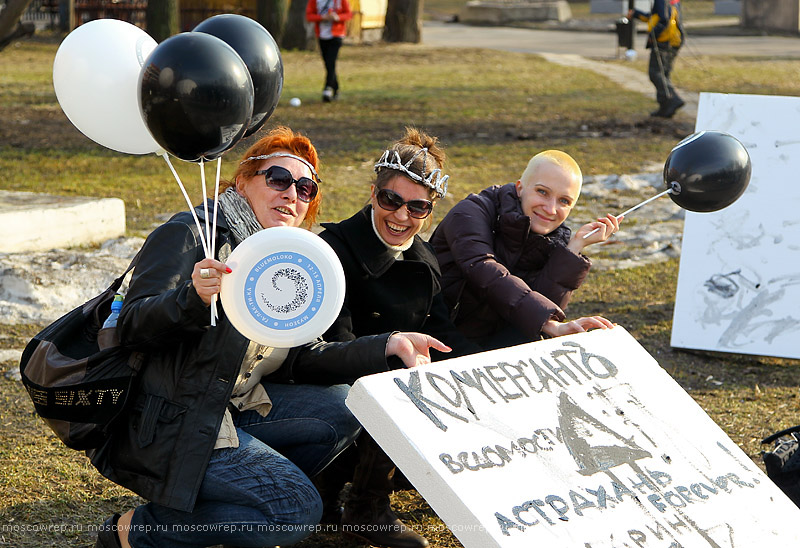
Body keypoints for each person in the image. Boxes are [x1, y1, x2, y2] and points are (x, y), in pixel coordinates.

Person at [89, 126, 450, 548]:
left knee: (345, 408)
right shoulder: (192, 235)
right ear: (243, 181)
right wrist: (192, 298)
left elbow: (301, 358)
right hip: (171, 421)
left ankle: (240, 505)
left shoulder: (288, 258)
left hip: (236, 406)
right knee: (297, 509)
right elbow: (127, 326)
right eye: (277, 179)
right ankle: (134, 533)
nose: (291, 194)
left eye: (305, 188)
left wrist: (386, 344)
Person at [316, 127, 479, 548]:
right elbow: (332, 343)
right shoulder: (333, 249)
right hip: (329, 379)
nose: (402, 216)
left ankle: (354, 501)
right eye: (391, 200)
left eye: (418, 207)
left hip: (390, 386)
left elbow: (442, 333)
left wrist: (476, 374)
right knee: (392, 382)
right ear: (373, 193)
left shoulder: (424, 261)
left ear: (430, 211)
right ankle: (361, 505)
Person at [430, 149, 619, 352]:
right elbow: (485, 270)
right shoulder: (472, 211)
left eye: (564, 201)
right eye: (542, 192)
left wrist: (574, 248)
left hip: (485, 352)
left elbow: (533, 315)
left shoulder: (555, 242)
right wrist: (549, 323)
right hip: (432, 336)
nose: (551, 209)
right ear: (520, 188)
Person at [630, 0, 685, 118]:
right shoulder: (672, 1)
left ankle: (673, 99)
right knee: (664, 74)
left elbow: (663, 19)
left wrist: (652, 35)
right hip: (674, 41)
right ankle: (665, 108)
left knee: (655, 73)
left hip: (664, 42)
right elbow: (655, 16)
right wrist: (636, 14)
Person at [306, 0, 352, 102]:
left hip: (337, 35)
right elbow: (309, 16)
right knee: (328, 63)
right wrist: (322, 18)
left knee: (331, 61)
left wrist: (337, 17)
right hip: (322, 35)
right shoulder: (315, 1)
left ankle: (327, 88)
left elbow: (348, 14)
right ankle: (336, 88)